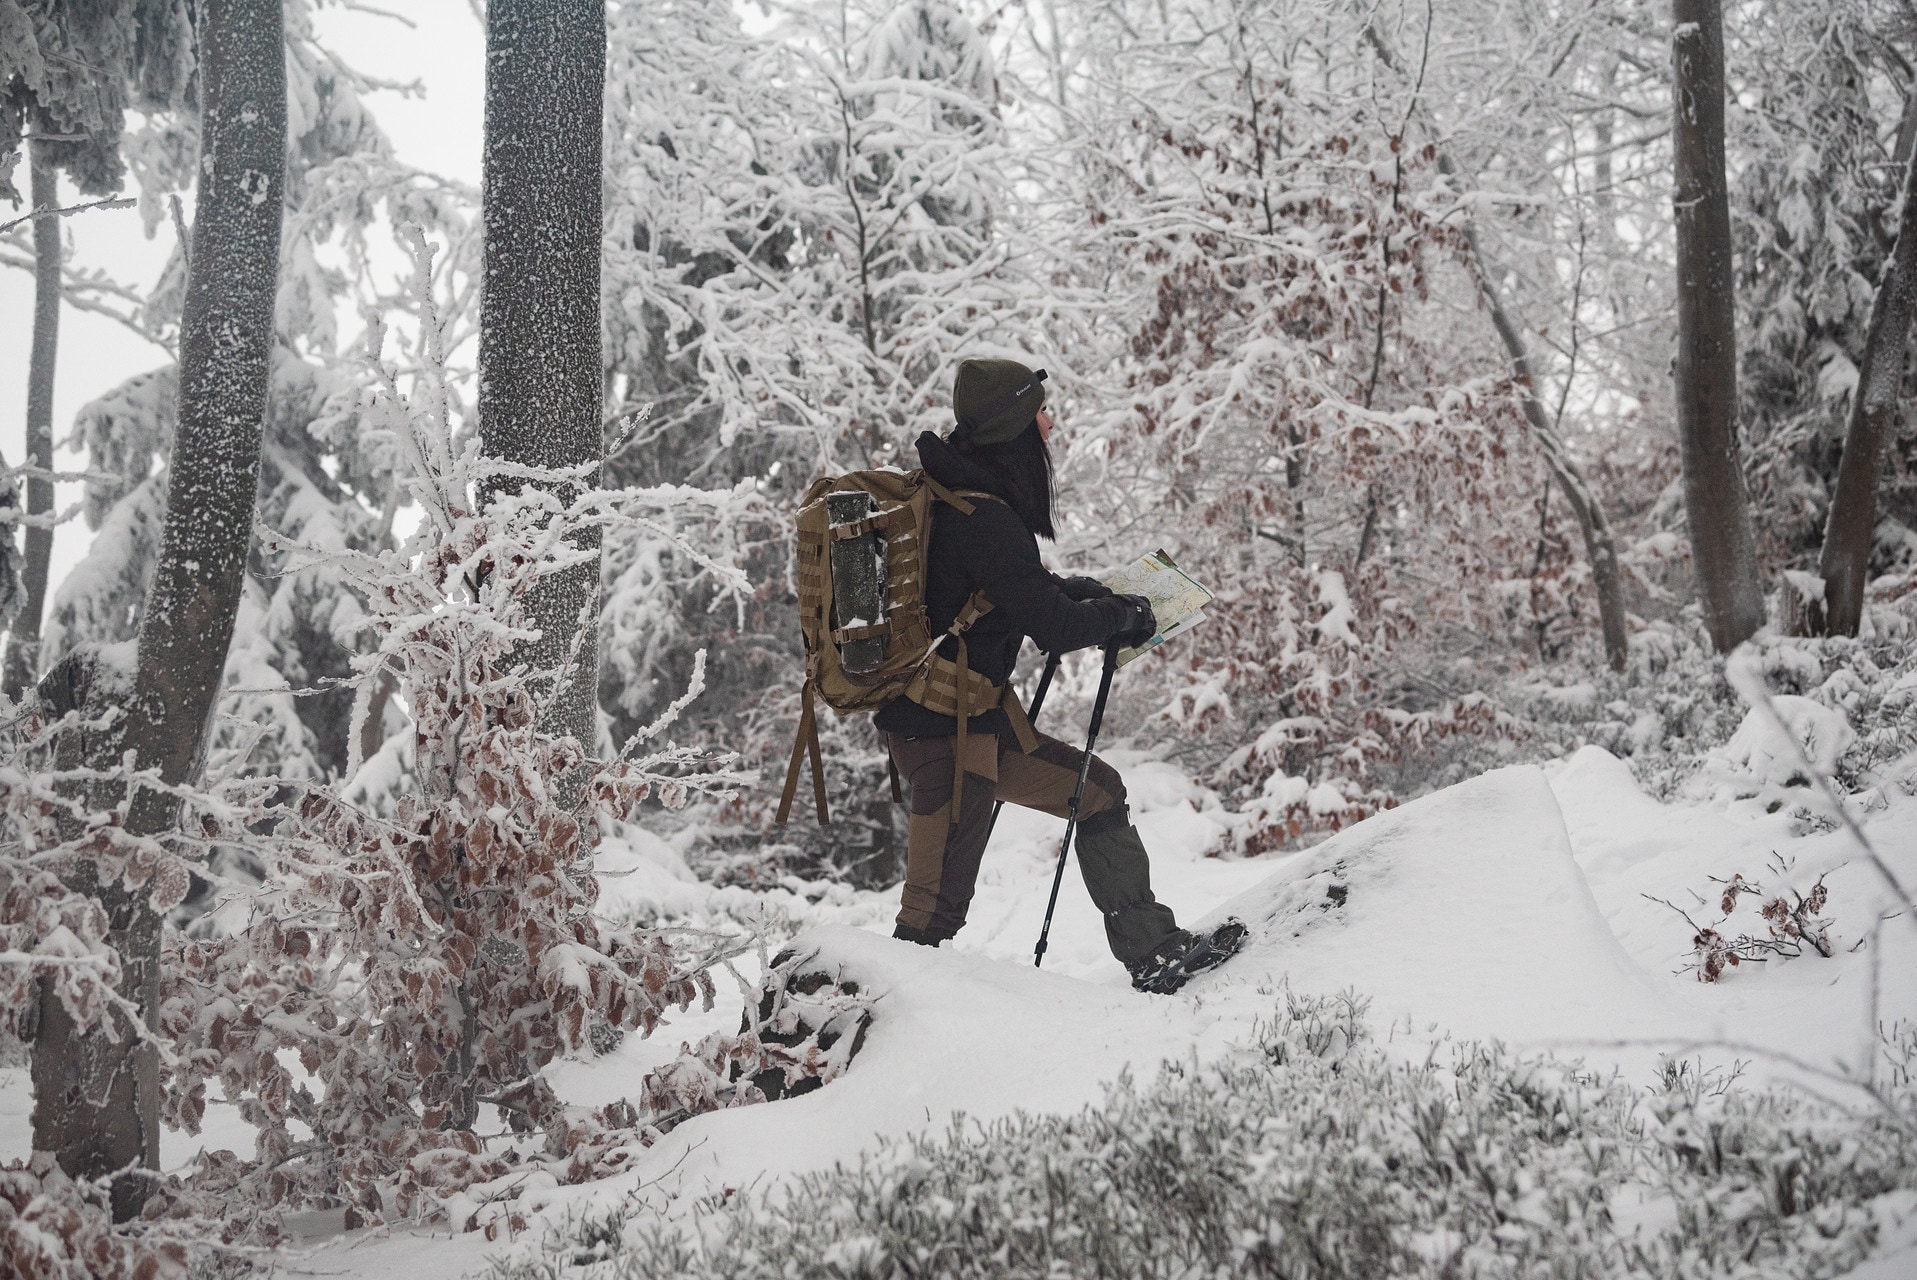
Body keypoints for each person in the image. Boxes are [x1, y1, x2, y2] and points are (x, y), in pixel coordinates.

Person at [875, 356, 1244, 993]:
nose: (1049, 424)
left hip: (978, 720)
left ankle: (1152, 952)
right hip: (943, 737)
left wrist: (1082, 592)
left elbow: (1011, 591)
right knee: (931, 918)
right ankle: (858, 1049)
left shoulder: (954, 492)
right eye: (1039, 413)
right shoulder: (984, 516)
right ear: (1011, 431)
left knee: (1096, 791)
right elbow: (1051, 625)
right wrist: (1116, 614)